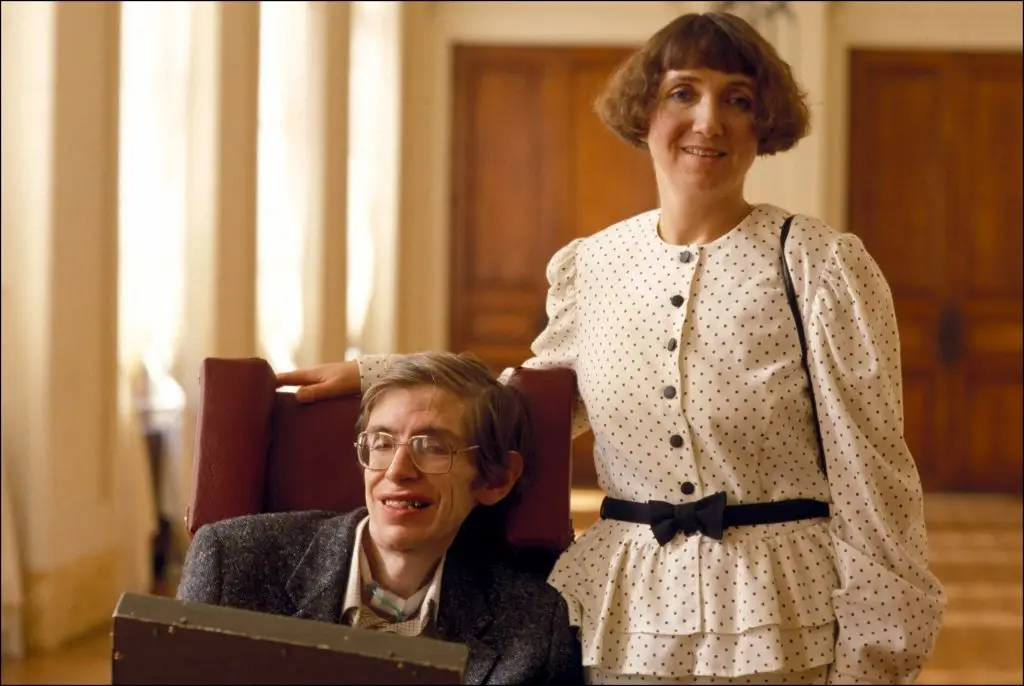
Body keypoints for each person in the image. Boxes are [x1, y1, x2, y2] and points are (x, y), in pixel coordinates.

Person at [277, 12, 946, 685]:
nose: (708, 121)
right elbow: (527, 407)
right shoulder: (591, 266)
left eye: (737, 100)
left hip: (784, 614)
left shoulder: (819, 265)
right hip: (626, 615)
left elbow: (875, 482)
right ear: (644, 110)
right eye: (683, 92)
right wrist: (383, 374)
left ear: (764, 122)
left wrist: (874, 658)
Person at [178, 352, 584, 685]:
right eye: (381, 443)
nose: (397, 470)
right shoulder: (229, 564)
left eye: (432, 447)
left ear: (495, 479)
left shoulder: (533, 625)